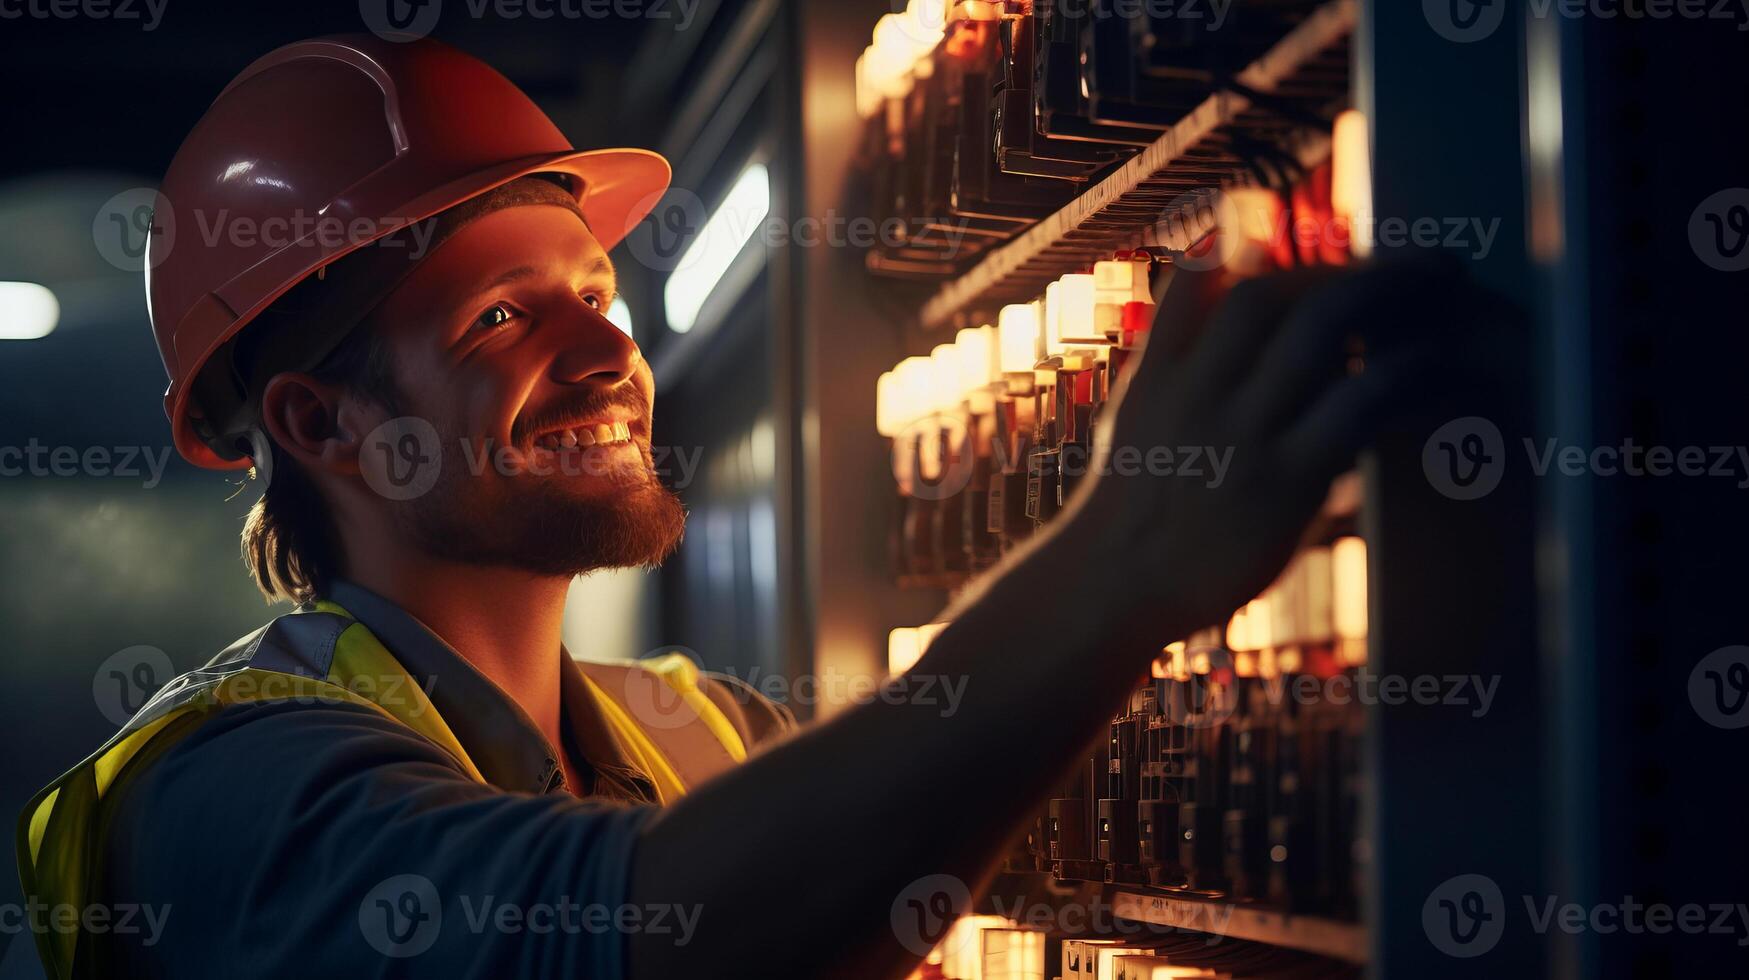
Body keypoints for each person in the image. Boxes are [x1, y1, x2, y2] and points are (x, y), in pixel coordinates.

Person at [17, 33, 1500, 980]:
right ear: (320, 421)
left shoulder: (704, 732)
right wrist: (1122, 560)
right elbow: (648, 938)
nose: (608, 355)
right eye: (499, 321)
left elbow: (901, 834)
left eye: (597, 294)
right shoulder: (218, 802)